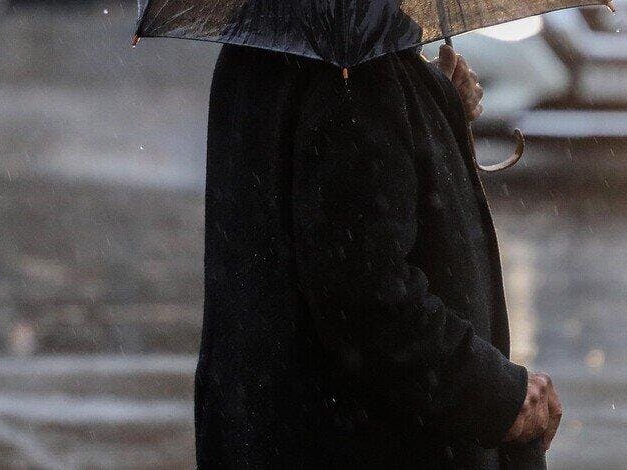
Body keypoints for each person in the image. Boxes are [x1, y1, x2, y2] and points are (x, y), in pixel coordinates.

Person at [195, 42, 561, 467]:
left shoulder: (254, 55)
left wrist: (435, 102)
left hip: (266, 428)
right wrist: (496, 396)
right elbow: (370, 300)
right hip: (360, 442)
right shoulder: (358, 74)